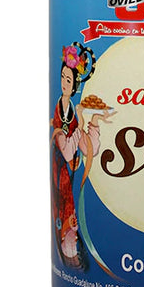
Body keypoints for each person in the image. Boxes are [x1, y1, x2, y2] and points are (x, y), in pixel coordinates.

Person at [51, 44, 106, 268]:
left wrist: (95, 121)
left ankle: (72, 259)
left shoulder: (74, 114)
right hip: (60, 179)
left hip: (68, 183)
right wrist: (81, 122)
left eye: (69, 80)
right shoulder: (60, 114)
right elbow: (66, 152)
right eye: (63, 77)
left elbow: (89, 149)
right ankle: (69, 260)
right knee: (66, 223)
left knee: (70, 222)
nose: (64, 83)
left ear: (74, 86)